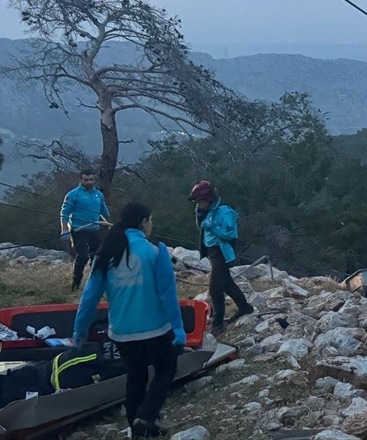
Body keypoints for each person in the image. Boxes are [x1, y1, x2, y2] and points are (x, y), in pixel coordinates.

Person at [72, 202, 185, 439]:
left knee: (136, 375)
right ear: (143, 222)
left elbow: (89, 297)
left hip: (122, 332)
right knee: (166, 369)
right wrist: (178, 328)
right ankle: (147, 415)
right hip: (156, 328)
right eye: (150, 221)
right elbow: (167, 294)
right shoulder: (155, 251)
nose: (151, 225)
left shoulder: (106, 254)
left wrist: (79, 330)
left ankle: (138, 430)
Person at [188, 181, 253, 336]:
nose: (198, 204)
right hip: (211, 251)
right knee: (227, 283)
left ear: (209, 199)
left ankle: (218, 323)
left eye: (200, 201)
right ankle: (244, 307)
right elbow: (203, 228)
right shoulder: (205, 212)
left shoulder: (224, 211)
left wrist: (214, 228)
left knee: (215, 288)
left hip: (221, 252)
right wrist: (201, 216)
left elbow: (231, 235)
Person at [61, 168, 112, 291]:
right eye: (86, 180)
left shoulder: (98, 194)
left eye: (91, 179)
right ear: (81, 180)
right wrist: (64, 229)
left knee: (97, 257)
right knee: (83, 256)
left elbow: (103, 210)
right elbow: (65, 213)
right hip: (79, 230)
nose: (89, 182)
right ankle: (76, 282)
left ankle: (96, 283)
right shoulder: (73, 194)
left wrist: (111, 224)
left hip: (94, 229)